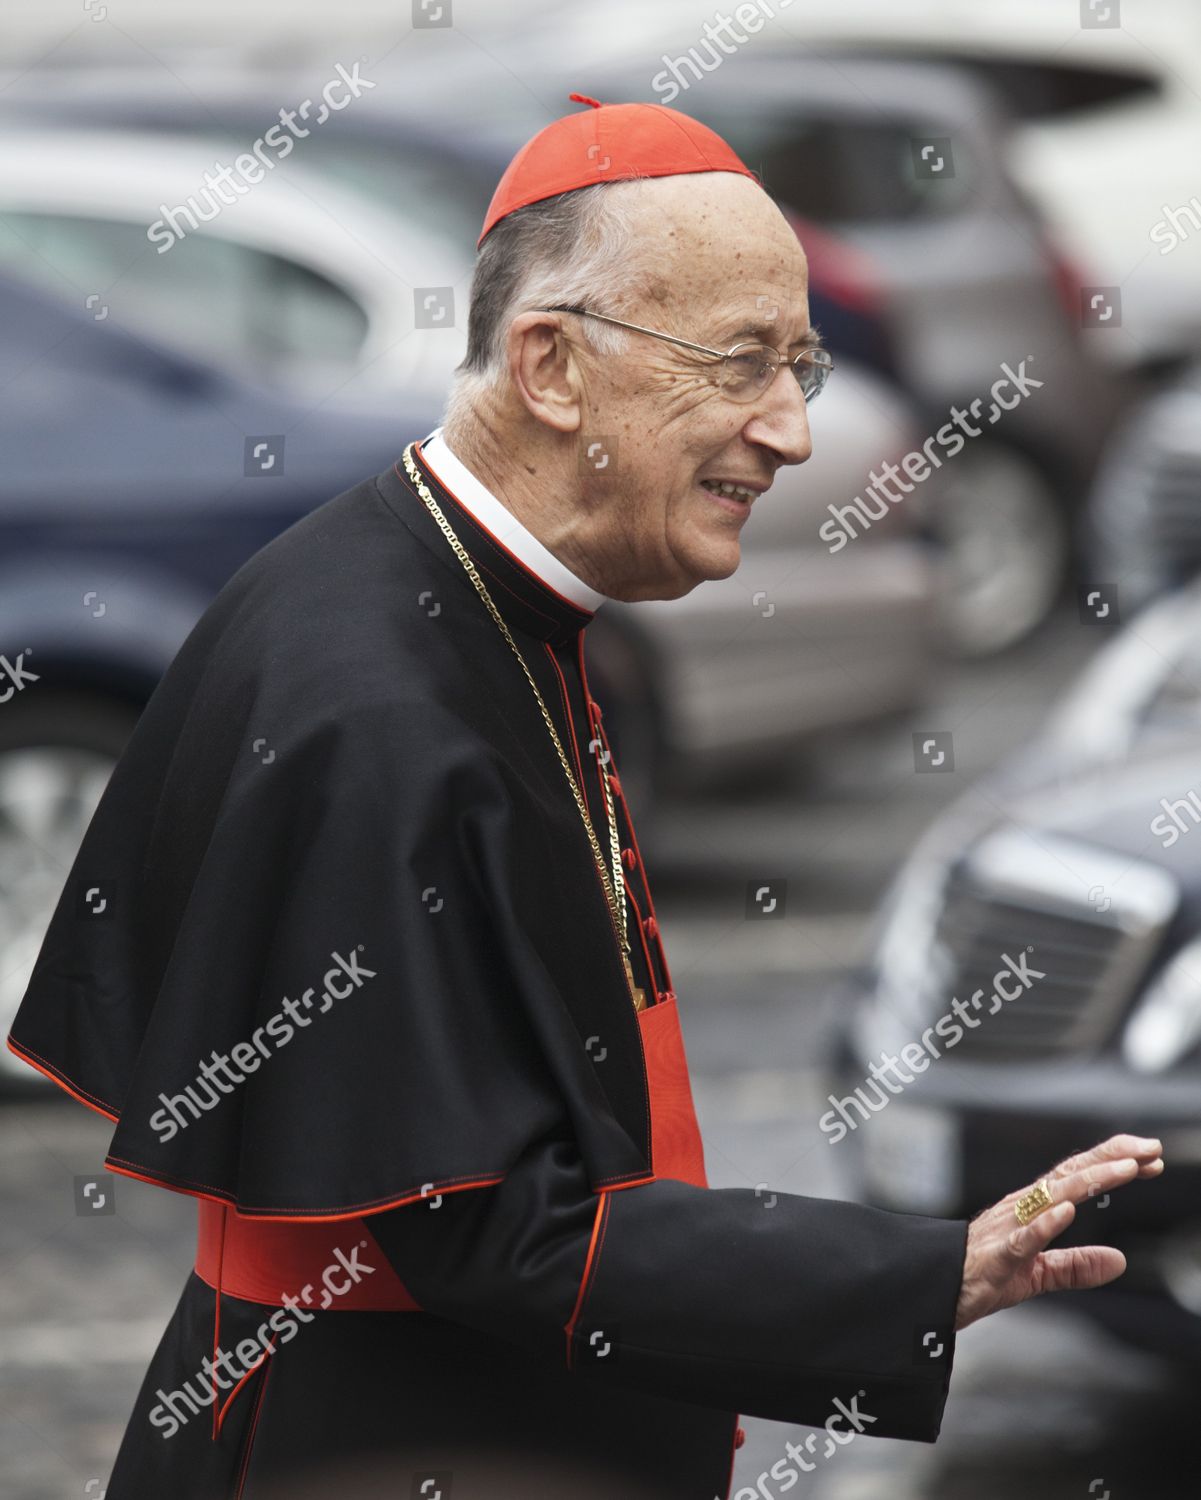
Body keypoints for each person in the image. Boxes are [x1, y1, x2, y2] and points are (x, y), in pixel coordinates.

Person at [7, 94, 1165, 1500]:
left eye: (797, 365)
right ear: (552, 366)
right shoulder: (372, 703)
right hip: (398, 1446)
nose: (792, 432)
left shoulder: (469, 603)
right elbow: (487, 1230)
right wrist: (920, 1272)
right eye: (741, 365)